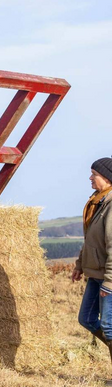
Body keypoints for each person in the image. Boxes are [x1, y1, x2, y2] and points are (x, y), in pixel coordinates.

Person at [72, 157, 112, 373]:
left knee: (108, 325)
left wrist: (110, 282)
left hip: (108, 277)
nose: (90, 177)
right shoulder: (98, 202)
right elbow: (91, 240)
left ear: (106, 177)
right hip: (96, 273)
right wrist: (80, 264)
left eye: (94, 174)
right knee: (86, 319)